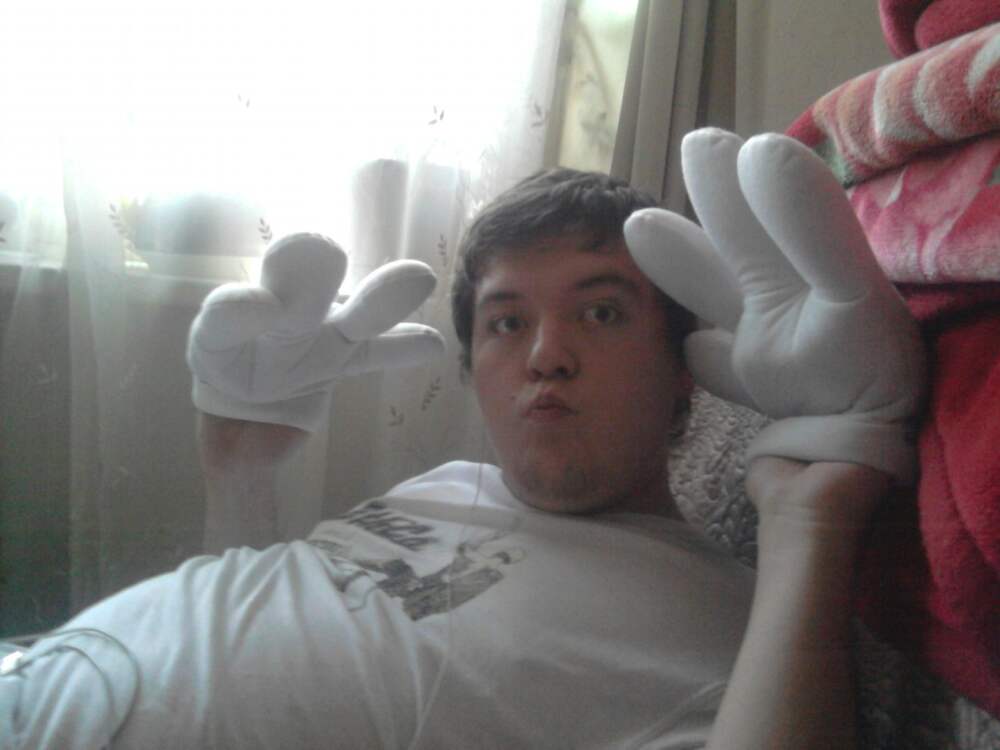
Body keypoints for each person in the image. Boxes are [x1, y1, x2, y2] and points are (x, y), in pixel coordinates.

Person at [0, 129, 924, 749]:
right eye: (506, 322)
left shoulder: (727, 625)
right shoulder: (442, 483)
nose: (545, 356)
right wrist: (237, 466)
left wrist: (810, 523)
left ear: (683, 362)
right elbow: (271, 634)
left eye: (602, 312)